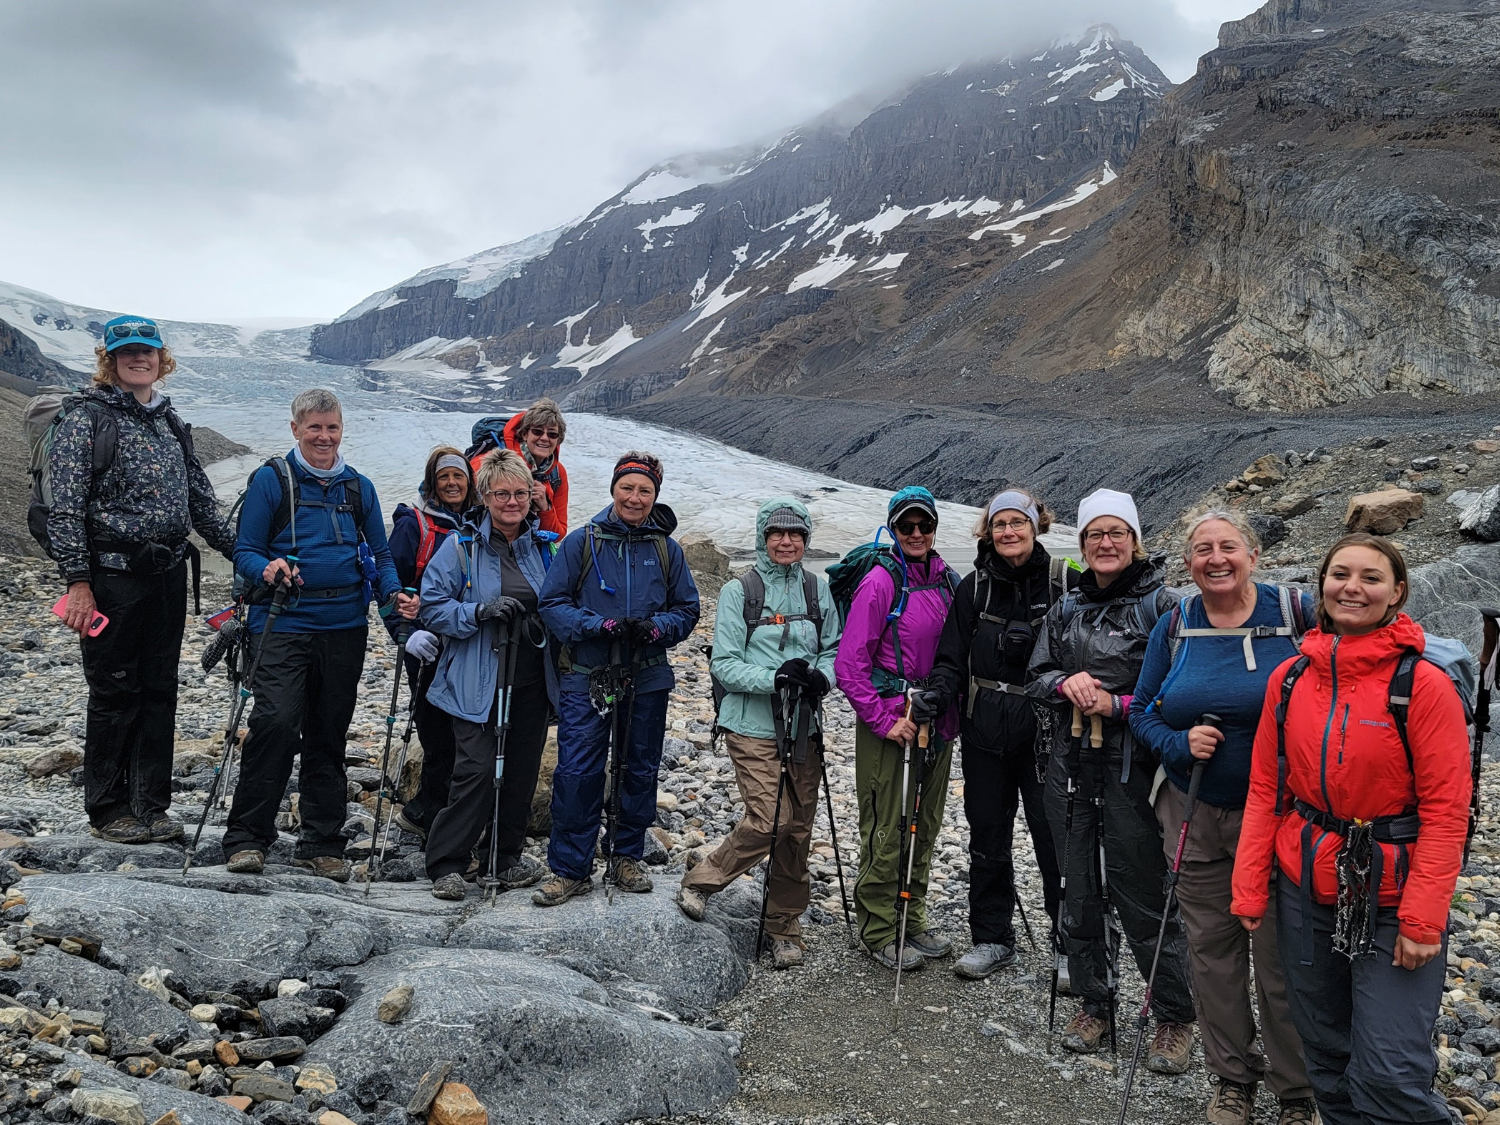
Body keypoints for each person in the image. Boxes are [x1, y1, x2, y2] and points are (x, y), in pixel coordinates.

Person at [1233, 534, 1470, 1125]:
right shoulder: (1291, 679)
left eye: (1370, 577)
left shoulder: (1423, 686)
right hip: (1306, 885)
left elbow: (1446, 812)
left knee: (1390, 1070)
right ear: (1322, 586)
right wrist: (1249, 884)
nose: (1352, 587)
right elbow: (1267, 788)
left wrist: (1423, 919)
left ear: (1398, 592)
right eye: (1341, 574)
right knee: (1327, 1056)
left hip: (1393, 894)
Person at [1130, 510, 1316, 1125]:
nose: (1216, 559)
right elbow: (1143, 711)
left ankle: (1296, 1090)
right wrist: (1179, 746)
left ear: (1253, 554)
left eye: (1228, 547)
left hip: (1282, 815)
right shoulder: (1176, 623)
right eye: (1202, 549)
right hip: (1193, 807)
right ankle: (1232, 1079)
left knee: (1280, 956)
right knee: (1212, 951)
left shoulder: (1295, 614)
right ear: (1187, 563)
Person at [47, 316, 237, 844]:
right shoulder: (87, 418)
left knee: (159, 690)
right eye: (127, 351)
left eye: (147, 350)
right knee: (113, 691)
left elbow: (200, 501)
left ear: (161, 358)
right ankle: (109, 809)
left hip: (168, 575)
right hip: (111, 579)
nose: (138, 358)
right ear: (110, 359)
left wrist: (245, 556)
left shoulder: (171, 422)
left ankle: (152, 805)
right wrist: (77, 582)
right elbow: (65, 509)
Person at [1026, 487, 1196, 1073]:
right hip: (1070, 762)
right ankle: (1096, 1001)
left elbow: (1180, 690)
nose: (1105, 543)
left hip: (1135, 767)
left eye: (1116, 533)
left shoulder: (1166, 607)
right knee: (1078, 888)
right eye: (1095, 535)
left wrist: (1119, 705)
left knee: (1143, 891)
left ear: (1134, 541)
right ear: (1082, 544)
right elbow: (1038, 672)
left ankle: (1174, 1013)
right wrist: (1064, 685)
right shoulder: (1066, 607)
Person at [223, 388, 417, 880]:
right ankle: (248, 837)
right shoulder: (272, 481)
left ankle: (322, 842)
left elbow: (381, 555)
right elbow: (243, 549)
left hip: (344, 627)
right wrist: (268, 568)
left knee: (328, 733)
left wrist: (393, 594)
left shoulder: (358, 488)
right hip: (283, 624)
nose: (324, 436)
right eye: (314, 427)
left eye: (332, 427)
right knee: (277, 723)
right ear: (295, 429)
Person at [676, 497, 842, 968]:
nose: (786, 541)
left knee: (798, 830)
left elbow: (833, 648)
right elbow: (724, 664)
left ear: (805, 540)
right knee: (772, 819)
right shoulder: (739, 591)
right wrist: (776, 678)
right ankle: (701, 881)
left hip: (803, 722)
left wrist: (821, 677)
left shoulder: (817, 589)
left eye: (795, 535)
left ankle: (783, 928)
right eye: (777, 534)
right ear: (762, 538)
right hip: (751, 722)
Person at [534, 451, 700, 905]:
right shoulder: (582, 543)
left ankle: (625, 856)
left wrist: (656, 628)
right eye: (627, 487)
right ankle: (570, 868)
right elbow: (551, 604)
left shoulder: (666, 549)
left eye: (644, 490)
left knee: (639, 766)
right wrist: (596, 626)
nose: (635, 497)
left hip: (646, 674)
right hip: (588, 673)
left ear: (654, 496)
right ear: (613, 489)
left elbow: (687, 609)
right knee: (577, 769)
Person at [924, 488, 1074, 980]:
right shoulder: (974, 588)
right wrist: (938, 695)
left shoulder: (1063, 584)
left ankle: (1070, 942)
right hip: (985, 731)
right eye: (1000, 524)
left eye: (1018, 523)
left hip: (1046, 735)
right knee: (988, 835)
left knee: (1055, 837)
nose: (1009, 532)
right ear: (988, 531)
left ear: (1037, 526)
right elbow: (952, 657)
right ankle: (992, 938)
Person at [417, 450, 558, 900]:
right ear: (486, 495)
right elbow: (432, 606)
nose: (512, 502)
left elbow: (564, 603)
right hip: (477, 676)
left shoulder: (547, 547)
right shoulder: (460, 548)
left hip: (531, 677)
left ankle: (505, 857)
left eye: (519, 493)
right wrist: (477, 611)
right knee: (475, 770)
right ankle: (448, 861)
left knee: (520, 769)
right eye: (502, 493)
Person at [835, 486, 960, 972]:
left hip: (935, 718)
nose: (915, 533)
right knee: (887, 823)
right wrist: (884, 720)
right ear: (893, 527)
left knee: (924, 823)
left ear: (934, 528)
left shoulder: (947, 579)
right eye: (906, 525)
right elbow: (850, 664)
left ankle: (913, 914)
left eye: (923, 525)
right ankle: (878, 928)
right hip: (893, 720)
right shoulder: (881, 582)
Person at [385, 447, 477, 841]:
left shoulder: (479, 521)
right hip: (426, 643)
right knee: (437, 732)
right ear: (432, 482)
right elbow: (389, 581)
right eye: (445, 478)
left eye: (459, 477)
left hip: (470, 640)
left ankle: (441, 812)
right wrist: (402, 635)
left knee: (467, 732)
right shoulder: (415, 525)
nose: (453, 484)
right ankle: (428, 814)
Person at [467, 398, 569, 538]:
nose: (545, 438)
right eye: (537, 431)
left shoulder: (557, 474)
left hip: (529, 552)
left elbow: (557, 534)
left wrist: (545, 507)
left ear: (558, 439)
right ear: (524, 433)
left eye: (552, 434)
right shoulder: (489, 464)